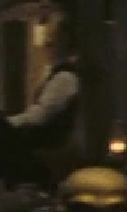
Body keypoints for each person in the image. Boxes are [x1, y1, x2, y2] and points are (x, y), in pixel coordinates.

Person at [11, 19, 83, 182]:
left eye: (51, 42)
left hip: (51, 146)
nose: (46, 47)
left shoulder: (64, 77)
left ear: (63, 44)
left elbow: (41, 115)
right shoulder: (56, 73)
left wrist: (8, 123)